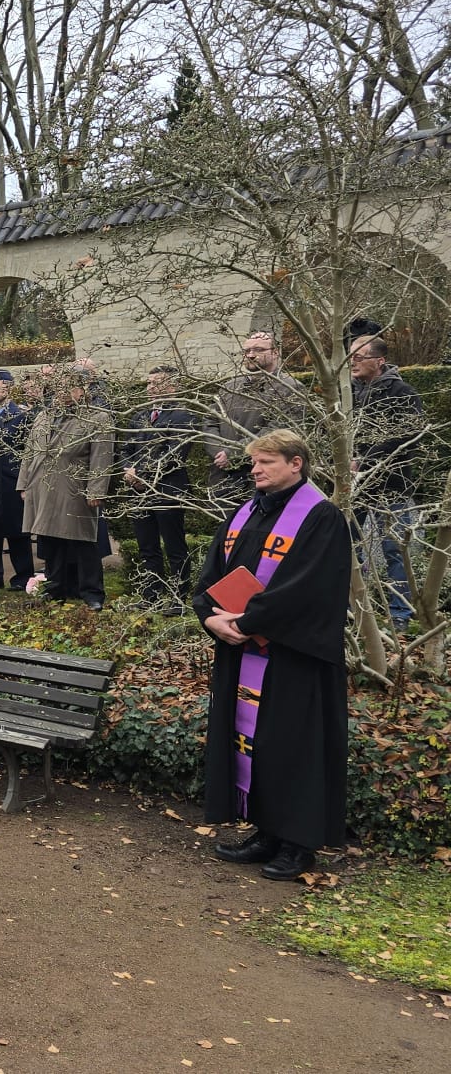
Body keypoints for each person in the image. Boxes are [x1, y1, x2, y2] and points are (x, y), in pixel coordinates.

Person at [194, 430, 349, 881]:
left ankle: (298, 843)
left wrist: (245, 623)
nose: (256, 470)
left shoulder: (321, 518)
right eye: (254, 463)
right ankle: (265, 831)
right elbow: (211, 576)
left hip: (293, 656)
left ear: (296, 463)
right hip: (243, 651)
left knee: (292, 748)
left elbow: (308, 588)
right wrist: (209, 617)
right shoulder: (244, 513)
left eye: (266, 462)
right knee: (256, 745)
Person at [19, 369, 116, 608]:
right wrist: (23, 484)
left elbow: (102, 458)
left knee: (84, 542)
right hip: (42, 487)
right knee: (50, 541)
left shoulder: (98, 418)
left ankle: (92, 594)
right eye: (59, 388)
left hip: (74, 488)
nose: (62, 393)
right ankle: (55, 588)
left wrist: (96, 490)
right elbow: (29, 452)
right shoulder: (44, 416)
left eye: (69, 387)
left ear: (82, 391)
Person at [348, 334, 423, 628]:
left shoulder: (402, 392)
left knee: (395, 550)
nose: (352, 361)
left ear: (379, 361)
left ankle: (400, 616)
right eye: (350, 356)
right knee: (346, 546)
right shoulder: (347, 394)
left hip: (391, 485)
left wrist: (363, 461)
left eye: (359, 356)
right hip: (352, 486)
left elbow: (408, 437)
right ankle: (349, 612)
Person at [121, 367, 199, 613]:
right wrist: (128, 471)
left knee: (174, 546)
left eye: (157, 383)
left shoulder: (181, 416)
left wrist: (143, 474)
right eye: (149, 383)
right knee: (147, 546)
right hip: (139, 492)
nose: (150, 388)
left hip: (168, 490)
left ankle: (178, 598)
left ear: (173, 387)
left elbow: (175, 454)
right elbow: (125, 449)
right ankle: (151, 595)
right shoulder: (140, 416)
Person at [207, 331, 311, 510]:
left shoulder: (290, 388)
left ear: (275, 352)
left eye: (258, 349)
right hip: (222, 478)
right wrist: (219, 452)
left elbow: (278, 431)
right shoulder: (229, 387)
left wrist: (233, 454)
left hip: (261, 478)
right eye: (246, 351)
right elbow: (210, 422)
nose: (251, 355)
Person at [0, 370, 35, 595]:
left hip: (11, 480)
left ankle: (23, 577)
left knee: (17, 532)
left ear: (9, 390)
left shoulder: (21, 415)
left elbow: (28, 450)